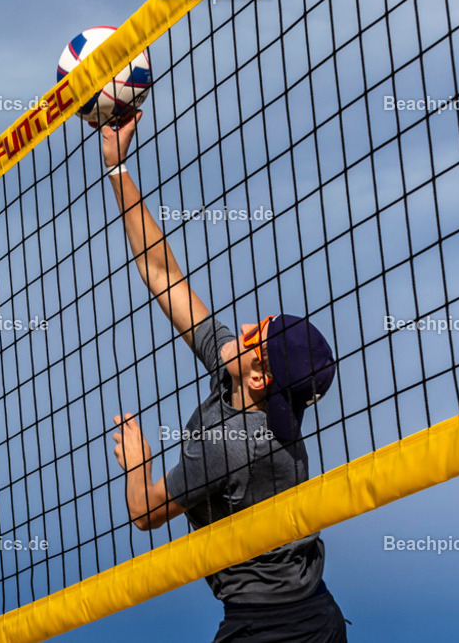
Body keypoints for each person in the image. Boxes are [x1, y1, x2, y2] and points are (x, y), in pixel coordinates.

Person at [102, 112, 347, 641]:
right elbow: (163, 274)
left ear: (258, 376)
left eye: (254, 334)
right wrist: (118, 168)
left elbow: (145, 513)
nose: (241, 325)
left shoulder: (226, 445)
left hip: (266, 630)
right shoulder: (255, 384)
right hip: (318, 615)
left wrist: (139, 465)